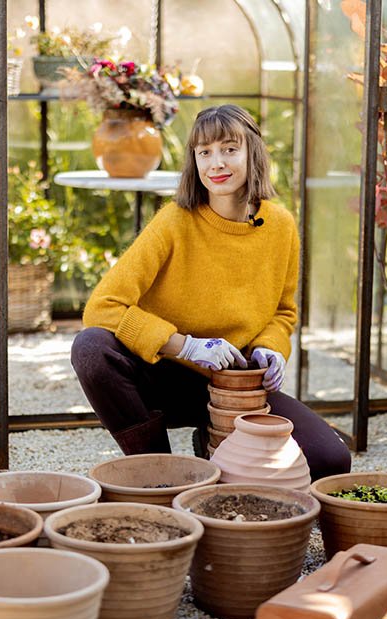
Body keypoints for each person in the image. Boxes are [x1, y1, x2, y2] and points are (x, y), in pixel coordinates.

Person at [71, 104, 351, 480]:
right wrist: (186, 346)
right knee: (91, 348)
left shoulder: (280, 226)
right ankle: (160, 472)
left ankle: (210, 439)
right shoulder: (174, 221)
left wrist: (271, 348)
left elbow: (283, 312)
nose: (216, 163)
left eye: (229, 149)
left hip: (234, 384)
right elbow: (102, 307)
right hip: (162, 376)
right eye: (204, 152)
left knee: (330, 460)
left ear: (253, 152)